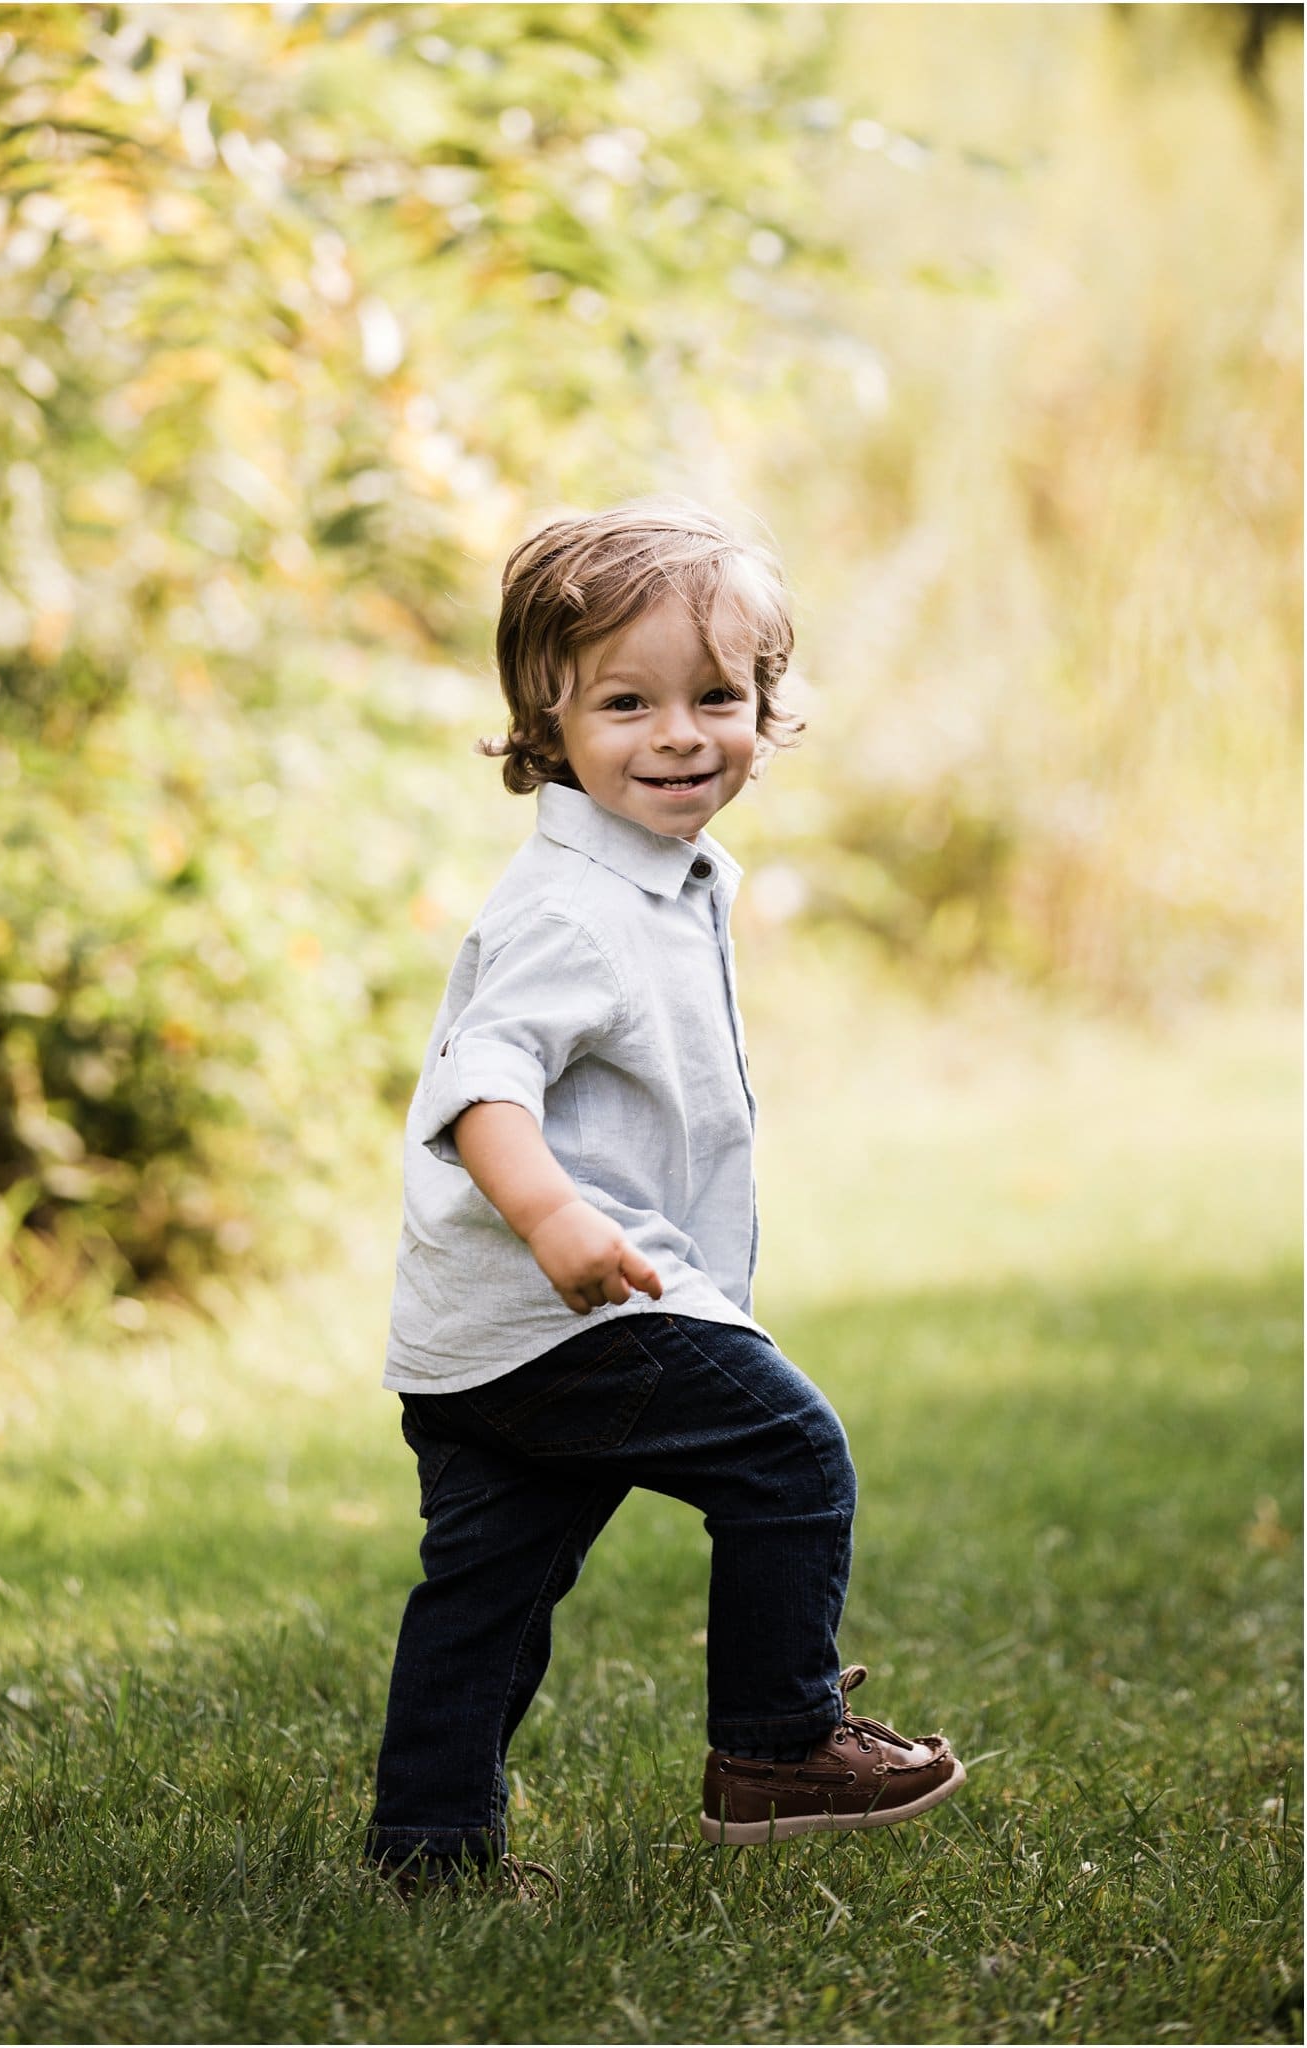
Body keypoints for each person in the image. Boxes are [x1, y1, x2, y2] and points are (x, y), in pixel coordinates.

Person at [364, 500, 964, 1896]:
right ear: (547, 719)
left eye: (719, 695)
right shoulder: (572, 907)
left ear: (768, 706)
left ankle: (430, 1855)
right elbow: (483, 1090)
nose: (682, 732)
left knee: (489, 1603)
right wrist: (562, 1221)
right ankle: (776, 1748)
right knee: (790, 1458)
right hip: (568, 1303)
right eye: (628, 702)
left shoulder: (660, 881)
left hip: (478, 1338)